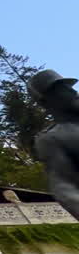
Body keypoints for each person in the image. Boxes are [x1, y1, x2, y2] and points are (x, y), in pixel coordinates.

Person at [30, 69, 79, 220]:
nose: (72, 92)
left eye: (69, 87)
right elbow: (63, 187)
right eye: (60, 90)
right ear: (46, 101)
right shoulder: (53, 138)